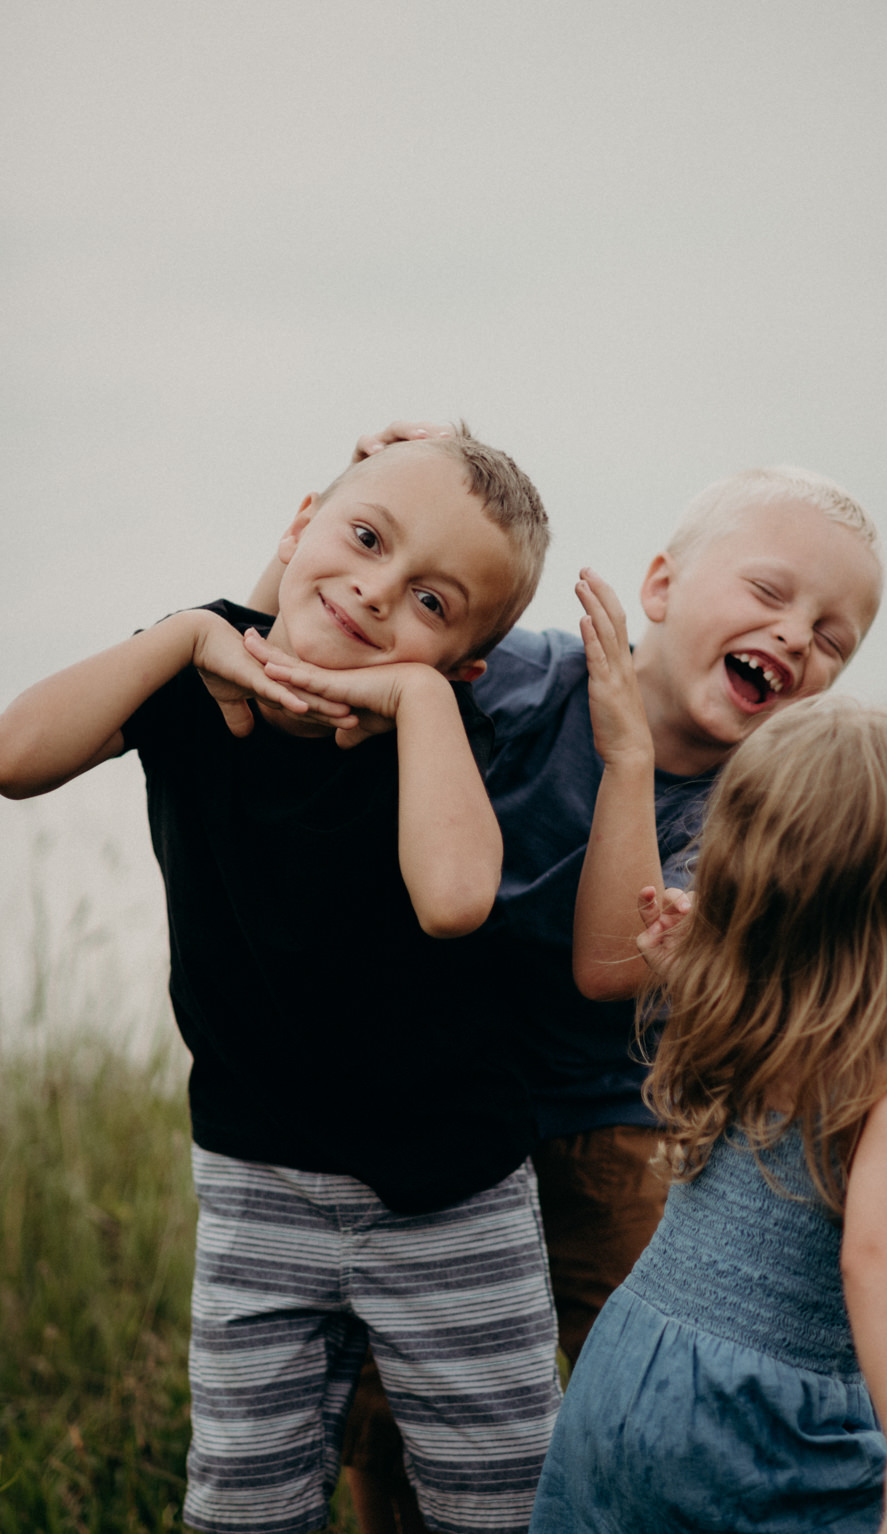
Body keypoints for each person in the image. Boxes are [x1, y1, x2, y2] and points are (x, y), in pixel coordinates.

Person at [246, 425, 885, 1533]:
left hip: (612, 1124)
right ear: (660, 585)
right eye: (772, 594)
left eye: (832, 636)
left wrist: (628, 757)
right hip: (440, 1109)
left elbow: (610, 968)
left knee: (636, 1378)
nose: (794, 634)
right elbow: (307, 680)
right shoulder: (523, 681)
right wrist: (347, 501)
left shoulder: (752, 817)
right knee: (395, 1393)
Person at [0, 428, 563, 1534]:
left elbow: (453, 897)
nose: (373, 588)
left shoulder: (445, 730)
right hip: (258, 1175)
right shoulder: (193, 673)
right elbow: (16, 757)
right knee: (244, 1501)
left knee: (497, 1502)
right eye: (362, 536)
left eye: (431, 603)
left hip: (450, 1195)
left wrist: (420, 699)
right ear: (302, 519)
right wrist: (189, 632)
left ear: (463, 665)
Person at [529, 624, 887, 1532]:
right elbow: (873, 1258)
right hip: (756, 1421)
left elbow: (707, 963)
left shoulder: (731, 1015)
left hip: (621, 1378)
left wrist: (701, 948)